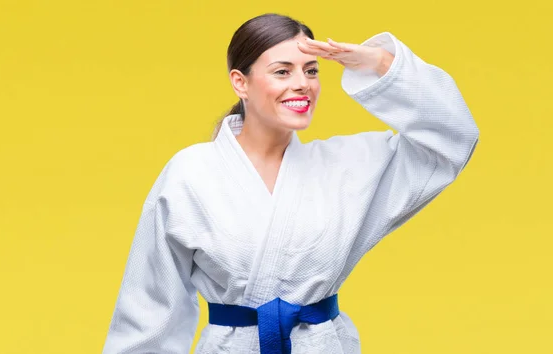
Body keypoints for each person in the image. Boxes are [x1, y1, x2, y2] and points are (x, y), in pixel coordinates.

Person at [102, 13, 479, 354]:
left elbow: (453, 138)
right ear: (241, 82)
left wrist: (381, 64)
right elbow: (150, 308)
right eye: (283, 71)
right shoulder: (190, 173)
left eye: (312, 71)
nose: (302, 84)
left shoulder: (350, 165)